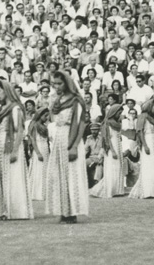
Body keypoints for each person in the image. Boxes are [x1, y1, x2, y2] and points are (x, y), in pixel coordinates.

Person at [0, 79, 33, 220]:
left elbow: (19, 131)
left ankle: (13, 211)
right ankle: (1, 209)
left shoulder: (15, 108)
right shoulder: (1, 109)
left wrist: (14, 150)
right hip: (0, 143)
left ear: (6, 91)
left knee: (11, 178)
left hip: (10, 143)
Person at [45, 71, 89, 224]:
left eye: (60, 83)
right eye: (54, 84)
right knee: (60, 175)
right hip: (59, 139)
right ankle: (64, 211)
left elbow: (80, 124)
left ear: (67, 83)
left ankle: (72, 212)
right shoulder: (58, 100)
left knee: (72, 175)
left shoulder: (76, 100)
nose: (57, 86)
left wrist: (74, 146)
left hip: (71, 137)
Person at [89, 100, 125, 198]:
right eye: (119, 113)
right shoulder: (107, 123)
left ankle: (117, 189)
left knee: (118, 167)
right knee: (112, 167)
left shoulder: (117, 123)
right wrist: (112, 151)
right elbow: (107, 139)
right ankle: (109, 189)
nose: (120, 114)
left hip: (118, 145)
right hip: (111, 147)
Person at [128, 97, 154, 199]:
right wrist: (145, 145)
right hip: (148, 140)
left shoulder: (151, 117)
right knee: (149, 165)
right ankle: (148, 190)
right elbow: (140, 131)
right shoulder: (142, 116)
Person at [27, 107, 50, 201]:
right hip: (39, 148)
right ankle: (37, 193)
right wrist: (38, 153)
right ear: (40, 115)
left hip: (45, 148)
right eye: (45, 115)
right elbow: (33, 140)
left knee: (45, 170)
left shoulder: (44, 126)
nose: (47, 117)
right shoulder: (34, 125)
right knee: (38, 170)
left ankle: (44, 192)